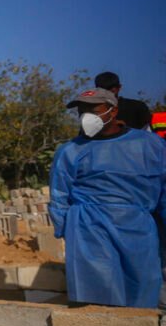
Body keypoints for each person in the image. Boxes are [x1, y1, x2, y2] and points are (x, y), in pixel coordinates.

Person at [49, 88, 166, 308]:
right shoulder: (70, 151)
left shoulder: (151, 145)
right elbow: (59, 197)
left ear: (113, 111)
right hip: (89, 229)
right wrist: (67, 231)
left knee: (141, 294)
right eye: (81, 111)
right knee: (97, 298)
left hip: (138, 229)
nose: (86, 116)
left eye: (93, 110)